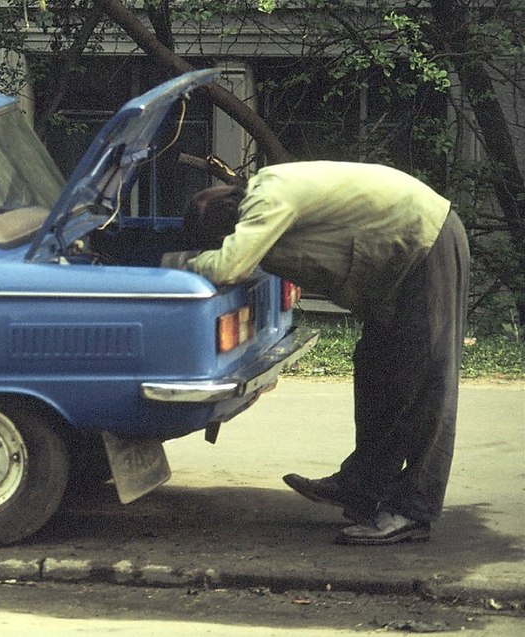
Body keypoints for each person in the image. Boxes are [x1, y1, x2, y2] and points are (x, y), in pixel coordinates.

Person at [178, 161, 468, 546]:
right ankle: (363, 485)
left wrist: (183, 265)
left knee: (427, 383)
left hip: (424, 244)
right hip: (399, 263)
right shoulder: (267, 195)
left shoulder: (268, 197)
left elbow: (230, 265)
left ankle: (412, 510)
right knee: (376, 373)